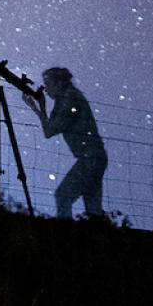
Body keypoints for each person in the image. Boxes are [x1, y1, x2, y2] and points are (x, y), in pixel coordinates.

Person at [24, 65, 109, 220]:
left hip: (90, 158)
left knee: (63, 196)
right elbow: (51, 127)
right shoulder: (68, 98)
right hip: (94, 157)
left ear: (59, 83)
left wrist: (38, 108)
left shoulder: (69, 99)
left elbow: (50, 130)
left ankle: (65, 235)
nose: (46, 88)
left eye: (48, 84)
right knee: (93, 208)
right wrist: (40, 107)